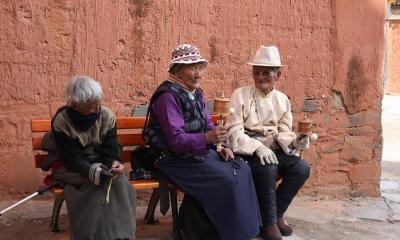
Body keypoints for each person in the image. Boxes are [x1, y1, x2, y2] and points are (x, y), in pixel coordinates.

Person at [144, 44, 261, 240]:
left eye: (200, 67)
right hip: (172, 158)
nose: (198, 73)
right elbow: (175, 141)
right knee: (226, 179)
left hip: (196, 153)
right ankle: (219, 232)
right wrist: (207, 139)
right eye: (192, 67)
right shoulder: (167, 96)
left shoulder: (196, 93)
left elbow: (208, 126)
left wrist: (221, 147)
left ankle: (241, 231)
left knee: (242, 168)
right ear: (177, 71)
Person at [226, 45, 310, 240]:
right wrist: (257, 147)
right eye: (257, 72)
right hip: (247, 151)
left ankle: (275, 215)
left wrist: (297, 141)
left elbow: (284, 132)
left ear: (277, 75)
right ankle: (270, 224)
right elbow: (234, 131)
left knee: (301, 168)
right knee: (268, 167)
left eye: (266, 73)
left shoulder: (282, 100)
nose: (261, 77)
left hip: (274, 149)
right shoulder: (240, 95)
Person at [51, 76, 136, 240]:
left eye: (98, 103)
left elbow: (111, 149)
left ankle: (122, 235)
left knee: (119, 182)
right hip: (75, 166)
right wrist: (92, 171)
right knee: (91, 186)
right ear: (76, 105)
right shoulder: (62, 122)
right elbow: (71, 158)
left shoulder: (106, 115)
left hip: (101, 161)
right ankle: (91, 236)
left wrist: (115, 163)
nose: (97, 108)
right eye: (91, 106)